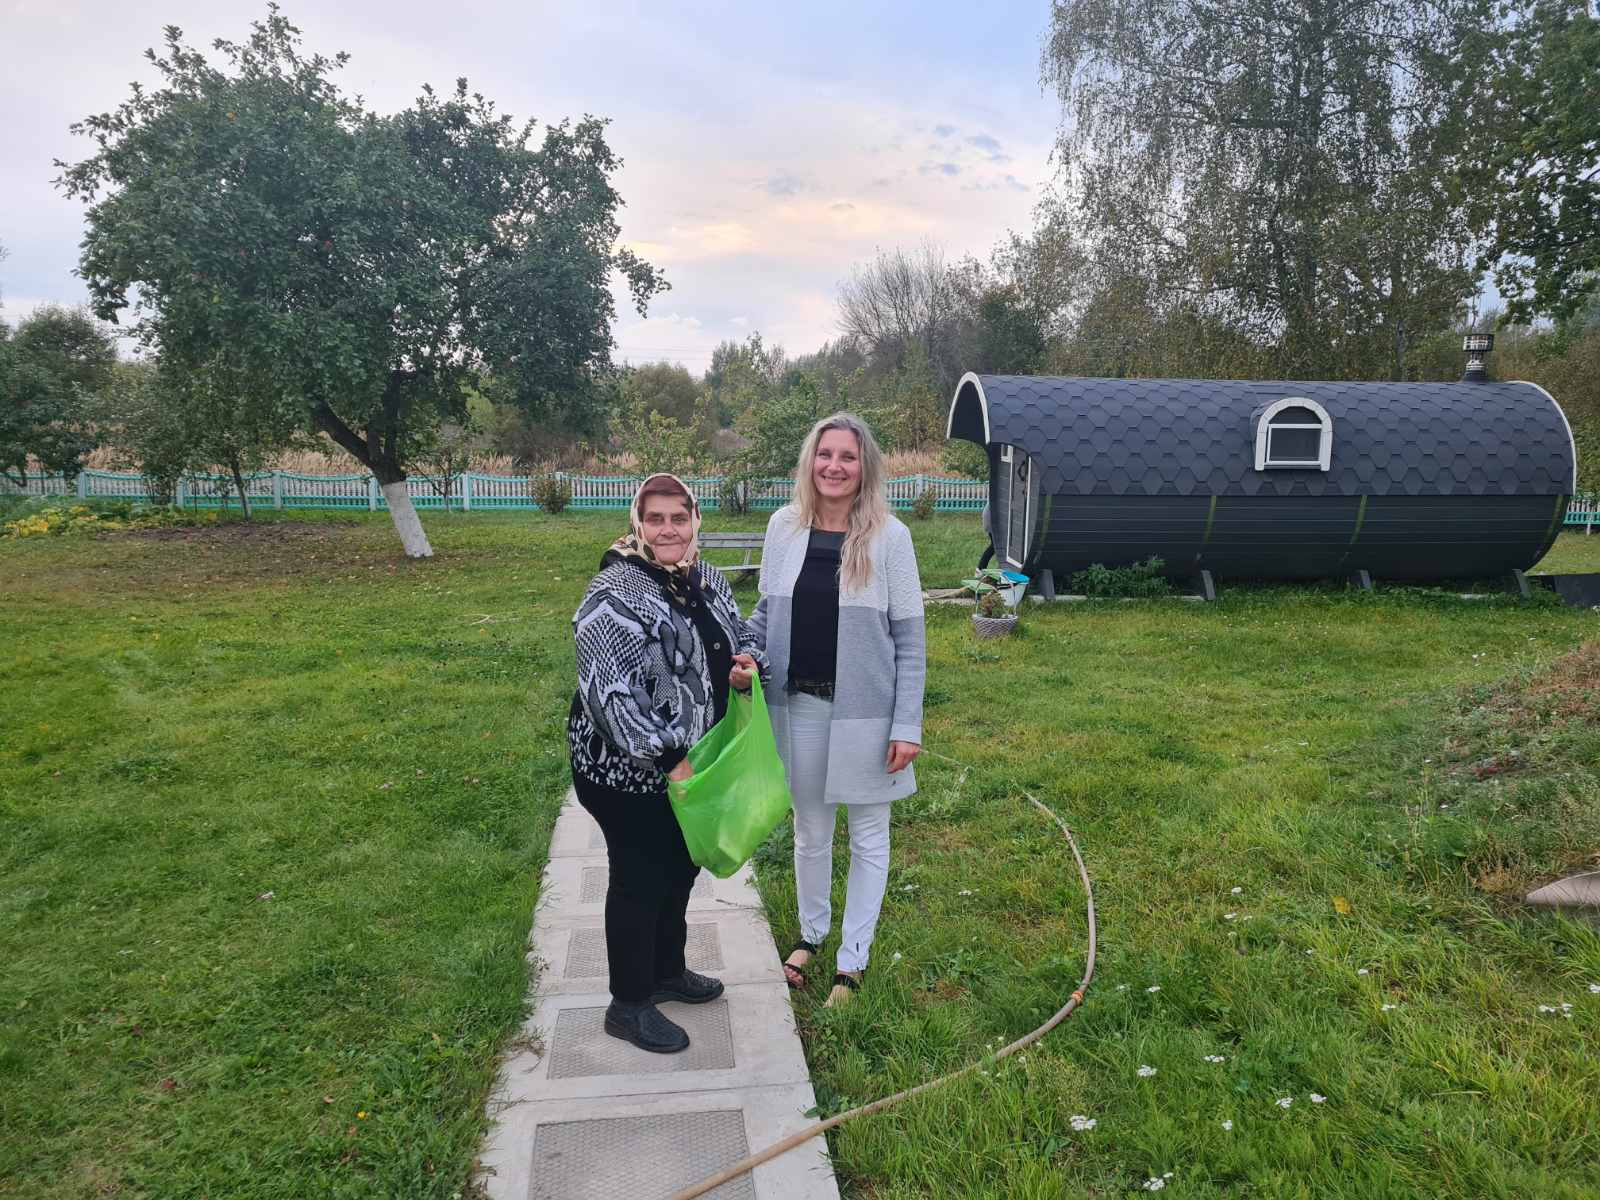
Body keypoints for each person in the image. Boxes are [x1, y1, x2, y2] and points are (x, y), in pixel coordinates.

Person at [569, 473, 762, 1053]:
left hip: (694, 765)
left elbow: (736, 635)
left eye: (679, 517)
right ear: (638, 523)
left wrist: (745, 664)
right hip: (626, 773)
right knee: (639, 877)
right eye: (655, 519)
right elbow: (609, 693)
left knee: (679, 868)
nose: (668, 529)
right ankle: (628, 1004)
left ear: (695, 520)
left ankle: (667, 970)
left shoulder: (706, 578)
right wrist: (671, 759)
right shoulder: (613, 592)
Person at [748, 413, 926, 1007]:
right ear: (811, 460)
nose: (834, 466)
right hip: (798, 706)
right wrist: (745, 652)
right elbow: (766, 614)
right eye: (826, 454)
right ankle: (812, 935)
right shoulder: (784, 527)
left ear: (864, 466)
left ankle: (853, 961)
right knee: (811, 831)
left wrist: (907, 724)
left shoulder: (890, 537)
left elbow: (910, 640)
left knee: (869, 835)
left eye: (848, 456)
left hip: (868, 715)